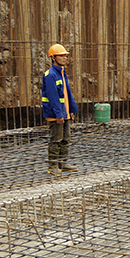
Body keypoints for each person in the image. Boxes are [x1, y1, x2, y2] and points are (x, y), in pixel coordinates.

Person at [41, 43, 78, 175]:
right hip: (56, 113)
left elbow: (67, 94)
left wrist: (71, 110)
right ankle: (53, 165)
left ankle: (63, 163)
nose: (64, 58)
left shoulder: (62, 73)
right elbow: (53, 97)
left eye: (65, 56)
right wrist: (58, 114)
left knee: (65, 138)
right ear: (53, 58)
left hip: (64, 112)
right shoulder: (50, 75)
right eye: (61, 56)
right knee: (56, 139)